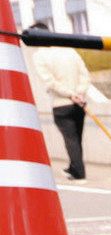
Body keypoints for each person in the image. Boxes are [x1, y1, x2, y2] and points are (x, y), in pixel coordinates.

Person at [29, 21, 91, 182]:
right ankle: (74, 167)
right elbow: (85, 75)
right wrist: (79, 93)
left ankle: (79, 172)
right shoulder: (69, 50)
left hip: (61, 104)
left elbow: (50, 82)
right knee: (77, 138)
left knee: (71, 139)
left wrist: (70, 95)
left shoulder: (39, 56)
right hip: (79, 103)